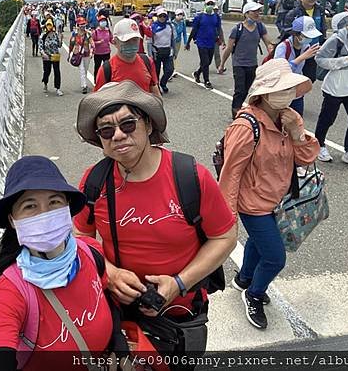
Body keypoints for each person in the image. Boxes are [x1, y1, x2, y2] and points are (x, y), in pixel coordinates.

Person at [74, 80, 237, 361]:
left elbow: (225, 237)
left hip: (181, 314)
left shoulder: (189, 176)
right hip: (118, 312)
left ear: (148, 125)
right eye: (106, 130)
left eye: (128, 124)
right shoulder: (94, 182)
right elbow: (78, 237)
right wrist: (109, 273)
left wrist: (178, 283)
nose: (118, 136)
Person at [0, 156, 113, 370]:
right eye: (30, 206)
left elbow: (108, 300)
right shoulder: (9, 291)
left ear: (67, 207)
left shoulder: (90, 251)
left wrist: (120, 346)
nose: (45, 214)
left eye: (54, 202)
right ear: (13, 220)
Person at [218, 59, 319, 330]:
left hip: (279, 200)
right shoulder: (246, 126)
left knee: (258, 243)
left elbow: (306, 157)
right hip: (253, 204)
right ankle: (253, 293)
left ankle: (244, 278)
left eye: (289, 88)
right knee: (275, 257)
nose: (287, 94)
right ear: (263, 93)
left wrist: (298, 133)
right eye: (281, 89)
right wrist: (227, 221)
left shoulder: (289, 118)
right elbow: (231, 175)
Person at [314, 0, 348, 169]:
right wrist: (346, 60)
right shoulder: (338, 38)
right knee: (327, 119)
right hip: (335, 86)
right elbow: (320, 59)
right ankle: (319, 145)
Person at [219, 1, 272, 119]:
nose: (257, 13)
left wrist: (272, 55)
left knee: (247, 90)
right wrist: (222, 64)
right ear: (246, 13)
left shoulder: (260, 27)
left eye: (258, 11)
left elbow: (268, 43)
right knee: (240, 90)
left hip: (252, 64)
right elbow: (228, 48)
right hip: (239, 64)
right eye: (254, 11)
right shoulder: (237, 29)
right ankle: (236, 115)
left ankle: (239, 109)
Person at [94, 18, 161, 97]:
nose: (132, 44)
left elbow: (155, 93)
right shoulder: (106, 69)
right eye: (126, 41)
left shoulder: (147, 62)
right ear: (115, 42)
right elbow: (97, 100)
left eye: (135, 40)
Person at [273, 16, 322, 116]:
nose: (309, 39)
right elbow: (278, 70)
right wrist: (301, 58)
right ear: (297, 34)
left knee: (297, 121)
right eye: (306, 36)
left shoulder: (305, 46)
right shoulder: (283, 47)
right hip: (282, 91)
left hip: (297, 91)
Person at [284, 0, 327, 82]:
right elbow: (286, 30)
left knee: (311, 78)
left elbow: (322, 28)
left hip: (315, 49)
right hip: (299, 50)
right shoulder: (293, 13)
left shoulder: (320, 10)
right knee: (295, 75)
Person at [185, 0, 224, 90]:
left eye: (212, 4)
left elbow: (218, 29)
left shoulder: (216, 17)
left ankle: (197, 73)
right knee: (205, 61)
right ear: (205, 5)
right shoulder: (199, 17)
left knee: (208, 62)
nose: (210, 5)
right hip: (201, 42)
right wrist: (188, 42)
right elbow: (194, 30)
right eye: (208, 4)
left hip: (211, 42)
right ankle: (207, 80)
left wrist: (221, 40)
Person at [151, 7, 176, 94]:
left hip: (168, 51)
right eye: (160, 16)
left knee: (170, 69)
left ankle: (163, 83)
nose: (162, 18)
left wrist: (175, 51)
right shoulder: (153, 26)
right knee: (156, 72)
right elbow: (150, 41)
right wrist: (151, 53)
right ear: (157, 17)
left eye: (164, 16)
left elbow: (173, 39)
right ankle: (157, 88)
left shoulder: (170, 26)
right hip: (156, 52)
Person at [69, 17, 95, 94]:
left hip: (86, 54)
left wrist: (91, 52)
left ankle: (84, 82)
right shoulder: (74, 34)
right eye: (81, 24)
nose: (82, 26)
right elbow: (71, 44)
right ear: (78, 25)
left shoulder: (88, 34)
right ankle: (84, 86)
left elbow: (92, 43)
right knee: (82, 70)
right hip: (78, 55)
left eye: (83, 24)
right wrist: (69, 54)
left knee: (85, 69)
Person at [39, 20, 64, 96]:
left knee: (57, 71)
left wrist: (61, 39)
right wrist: (43, 54)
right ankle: (45, 83)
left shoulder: (55, 35)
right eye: (48, 25)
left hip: (55, 56)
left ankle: (57, 88)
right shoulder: (43, 35)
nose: (49, 27)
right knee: (47, 71)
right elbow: (40, 46)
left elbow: (59, 45)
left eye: (50, 25)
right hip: (46, 56)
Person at [91, 15, 113, 81]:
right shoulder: (96, 32)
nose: (103, 22)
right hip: (98, 53)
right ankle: (96, 80)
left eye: (104, 21)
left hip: (106, 52)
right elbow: (92, 42)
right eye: (102, 21)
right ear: (99, 23)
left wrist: (115, 41)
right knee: (97, 67)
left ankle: (108, 80)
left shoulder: (108, 31)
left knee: (107, 67)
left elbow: (111, 39)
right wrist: (99, 42)